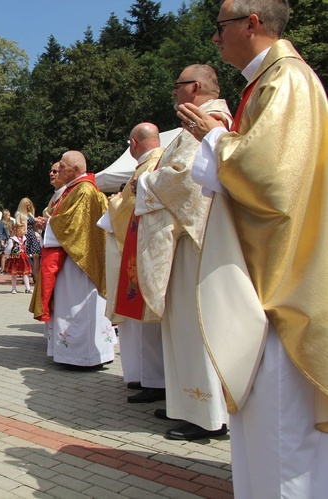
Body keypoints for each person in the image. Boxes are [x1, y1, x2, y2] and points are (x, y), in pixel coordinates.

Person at [178, 1, 328, 495]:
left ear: (252, 23)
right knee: (262, 436)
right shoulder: (265, 83)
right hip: (265, 276)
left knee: (282, 438)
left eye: (220, 28)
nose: (216, 39)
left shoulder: (287, 82)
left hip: (279, 288)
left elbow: (270, 179)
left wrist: (215, 137)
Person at [134, 65, 231, 440]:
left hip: (195, 241)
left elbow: (186, 178)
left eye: (177, 87)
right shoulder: (198, 121)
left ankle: (207, 415)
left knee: (195, 328)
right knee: (182, 328)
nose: (173, 94)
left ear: (193, 87)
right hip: (186, 240)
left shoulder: (208, 121)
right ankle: (185, 403)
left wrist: (144, 180)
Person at [98, 123, 166, 402]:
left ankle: (155, 381)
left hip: (143, 252)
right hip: (146, 250)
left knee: (146, 320)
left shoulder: (146, 168)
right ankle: (149, 378)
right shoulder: (158, 162)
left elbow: (126, 208)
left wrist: (113, 204)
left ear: (133, 143)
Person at [31, 151, 115, 368]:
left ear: (76, 170)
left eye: (63, 167)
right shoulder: (72, 190)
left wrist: (49, 224)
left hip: (81, 263)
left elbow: (73, 226)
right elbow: (63, 221)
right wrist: (47, 223)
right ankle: (71, 354)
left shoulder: (84, 191)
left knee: (81, 308)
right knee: (69, 307)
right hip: (70, 258)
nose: (59, 170)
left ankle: (85, 357)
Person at [15, 198, 41, 277]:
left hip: (32, 235)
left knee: (36, 255)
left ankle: (35, 275)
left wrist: (37, 232)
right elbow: (17, 227)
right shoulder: (19, 214)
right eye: (27, 205)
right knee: (25, 257)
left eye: (30, 205)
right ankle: (26, 274)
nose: (29, 206)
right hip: (24, 236)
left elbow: (34, 226)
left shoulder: (31, 214)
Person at [4, 223, 32, 294]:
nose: (25, 231)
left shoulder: (24, 238)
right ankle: (14, 288)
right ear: (18, 231)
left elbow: (25, 247)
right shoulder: (12, 239)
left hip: (23, 258)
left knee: (25, 273)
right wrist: (8, 255)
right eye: (24, 230)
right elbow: (9, 248)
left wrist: (27, 253)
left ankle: (28, 288)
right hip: (15, 258)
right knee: (14, 273)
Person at [0, 209, 12, 273]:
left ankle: (8, 268)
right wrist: (1, 241)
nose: (9, 216)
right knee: (3, 254)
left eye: (9, 215)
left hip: (10, 239)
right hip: (4, 240)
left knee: (11, 254)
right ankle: (2, 269)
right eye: (8, 215)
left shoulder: (11, 222)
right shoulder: (1, 223)